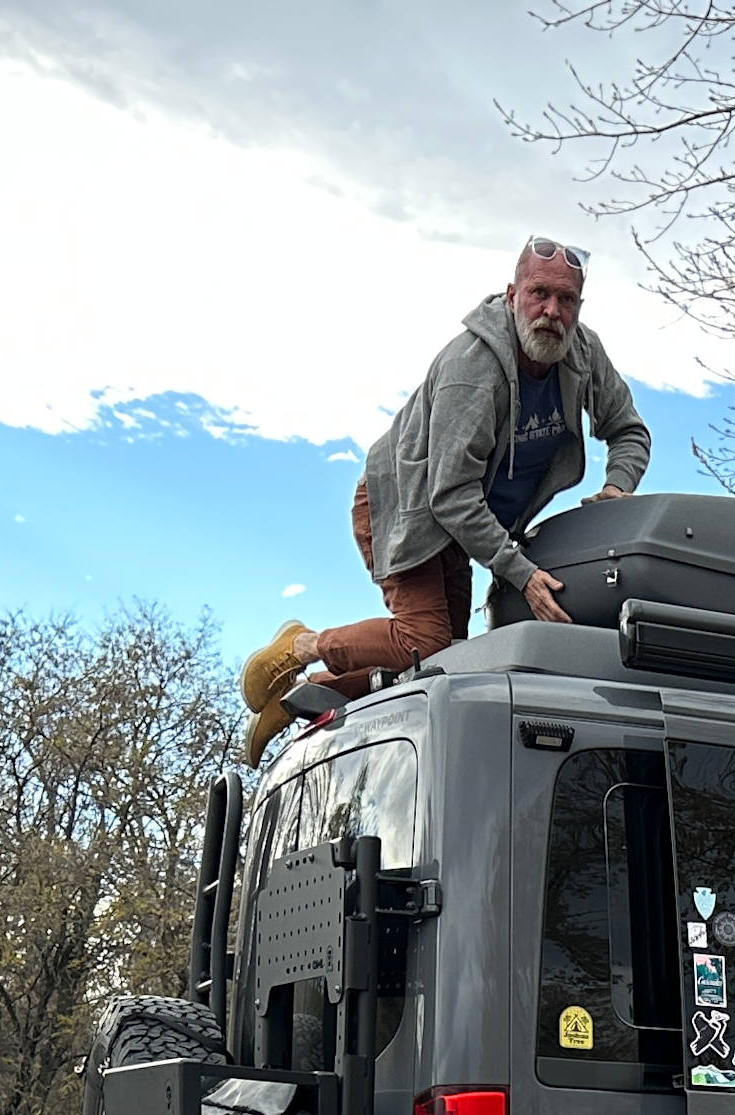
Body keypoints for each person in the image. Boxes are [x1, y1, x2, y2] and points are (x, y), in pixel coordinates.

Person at [240, 236, 651, 754]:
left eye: (565, 300)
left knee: (444, 663)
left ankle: (303, 699)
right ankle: (299, 645)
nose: (551, 311)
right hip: (403, 505)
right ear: (511, 294)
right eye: (539, 294)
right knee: (424, 641)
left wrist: (618, 486)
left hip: (465, 520)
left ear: (579, 307)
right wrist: (519, 573)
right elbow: (450, 493)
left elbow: (630, 430)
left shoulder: (582, 352)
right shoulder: (474, 368)